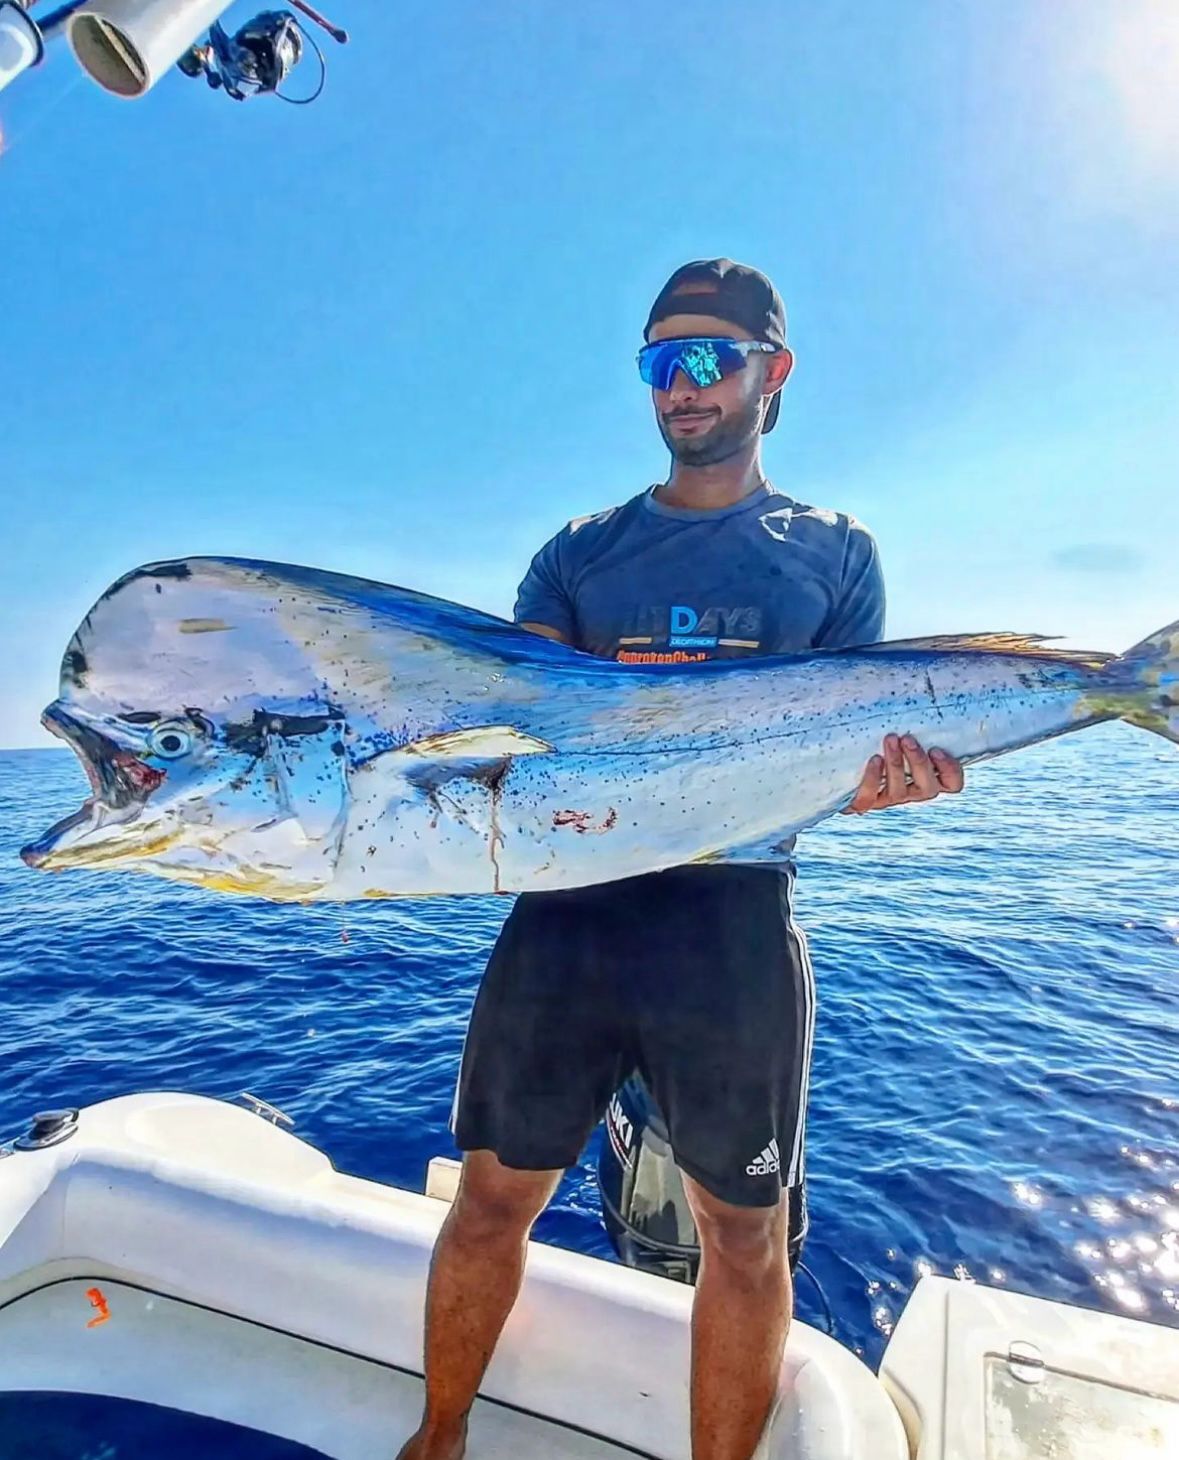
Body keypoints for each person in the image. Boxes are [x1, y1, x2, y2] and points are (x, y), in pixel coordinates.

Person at [396, 259, 965, 1460]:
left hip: (732, 922)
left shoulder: (835, 552)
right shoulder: (579, 553)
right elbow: (520, 717)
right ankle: (437, 1437)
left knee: (745, 1233)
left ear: (773, 370)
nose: (683, 386)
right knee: (491, 1196)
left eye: (708, 359)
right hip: (570, 909)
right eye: (662, 363)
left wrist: (884, 781)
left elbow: (841, 750)